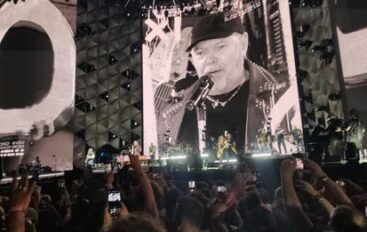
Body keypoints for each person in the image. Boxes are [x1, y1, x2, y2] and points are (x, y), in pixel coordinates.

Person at [154, 12, 277, 154]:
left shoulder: (275, 94)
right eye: (200, 52)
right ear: (192, 59)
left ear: (243, 44)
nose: (210, 59)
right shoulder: (174, 106)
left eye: (221, 47)